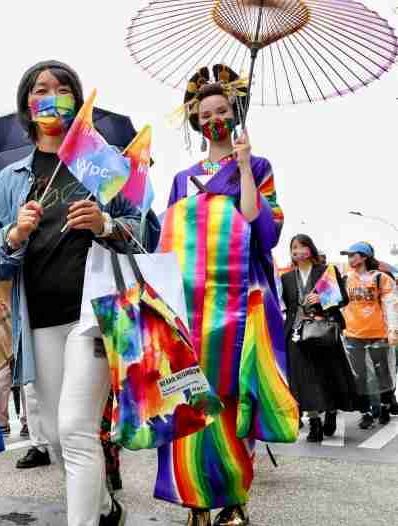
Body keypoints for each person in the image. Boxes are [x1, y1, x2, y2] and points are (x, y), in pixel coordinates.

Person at [0, 59, 160, 526]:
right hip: (38, 320)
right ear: (27, 104)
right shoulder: (11, 180)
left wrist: (107, 224)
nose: (51, 95)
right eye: (41, 89)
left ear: (77, 103)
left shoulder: (99, 164)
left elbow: (147, 235)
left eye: (62, 88)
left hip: (94, 316)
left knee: (77, 430)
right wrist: (13, 236)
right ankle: (102, 506)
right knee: (57, 438)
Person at [155, 65, 298, 526]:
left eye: (222, 110)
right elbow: (167, 239)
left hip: (240, 300)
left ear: (236, 115)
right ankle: (194, 498)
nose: (213, 118)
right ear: (195, 120)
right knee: (191, 395)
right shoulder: (182, 178)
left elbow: (267, 232)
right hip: (191, 303)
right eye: (205, 112)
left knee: (236, 395)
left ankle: (234, 499)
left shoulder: (257, 166)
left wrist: (242, 167)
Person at [281, 234, 353, 442]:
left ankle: (330, 411)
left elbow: (343, 300)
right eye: (294, 247)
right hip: (296, 336)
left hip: (323, 333)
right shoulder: (286, 278)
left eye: (303, 246)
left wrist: (322, 298)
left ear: (311, 249)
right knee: (302, 380)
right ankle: (314, 424)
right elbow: (284, 306)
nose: (298, 250)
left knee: (327, 375)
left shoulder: (326, 272)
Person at [340, 242, 398, 429]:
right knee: (360, 376)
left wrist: (392, 331)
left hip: (378, 334)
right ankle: (365, 412)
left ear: (364, 257)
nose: (349, 259)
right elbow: (337, 304)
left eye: (353, 255)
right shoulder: (345, 279)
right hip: (352, 335)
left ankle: (384, 406)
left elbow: (391, 305)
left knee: (383, 373)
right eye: (348, 255)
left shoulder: (381, 278)